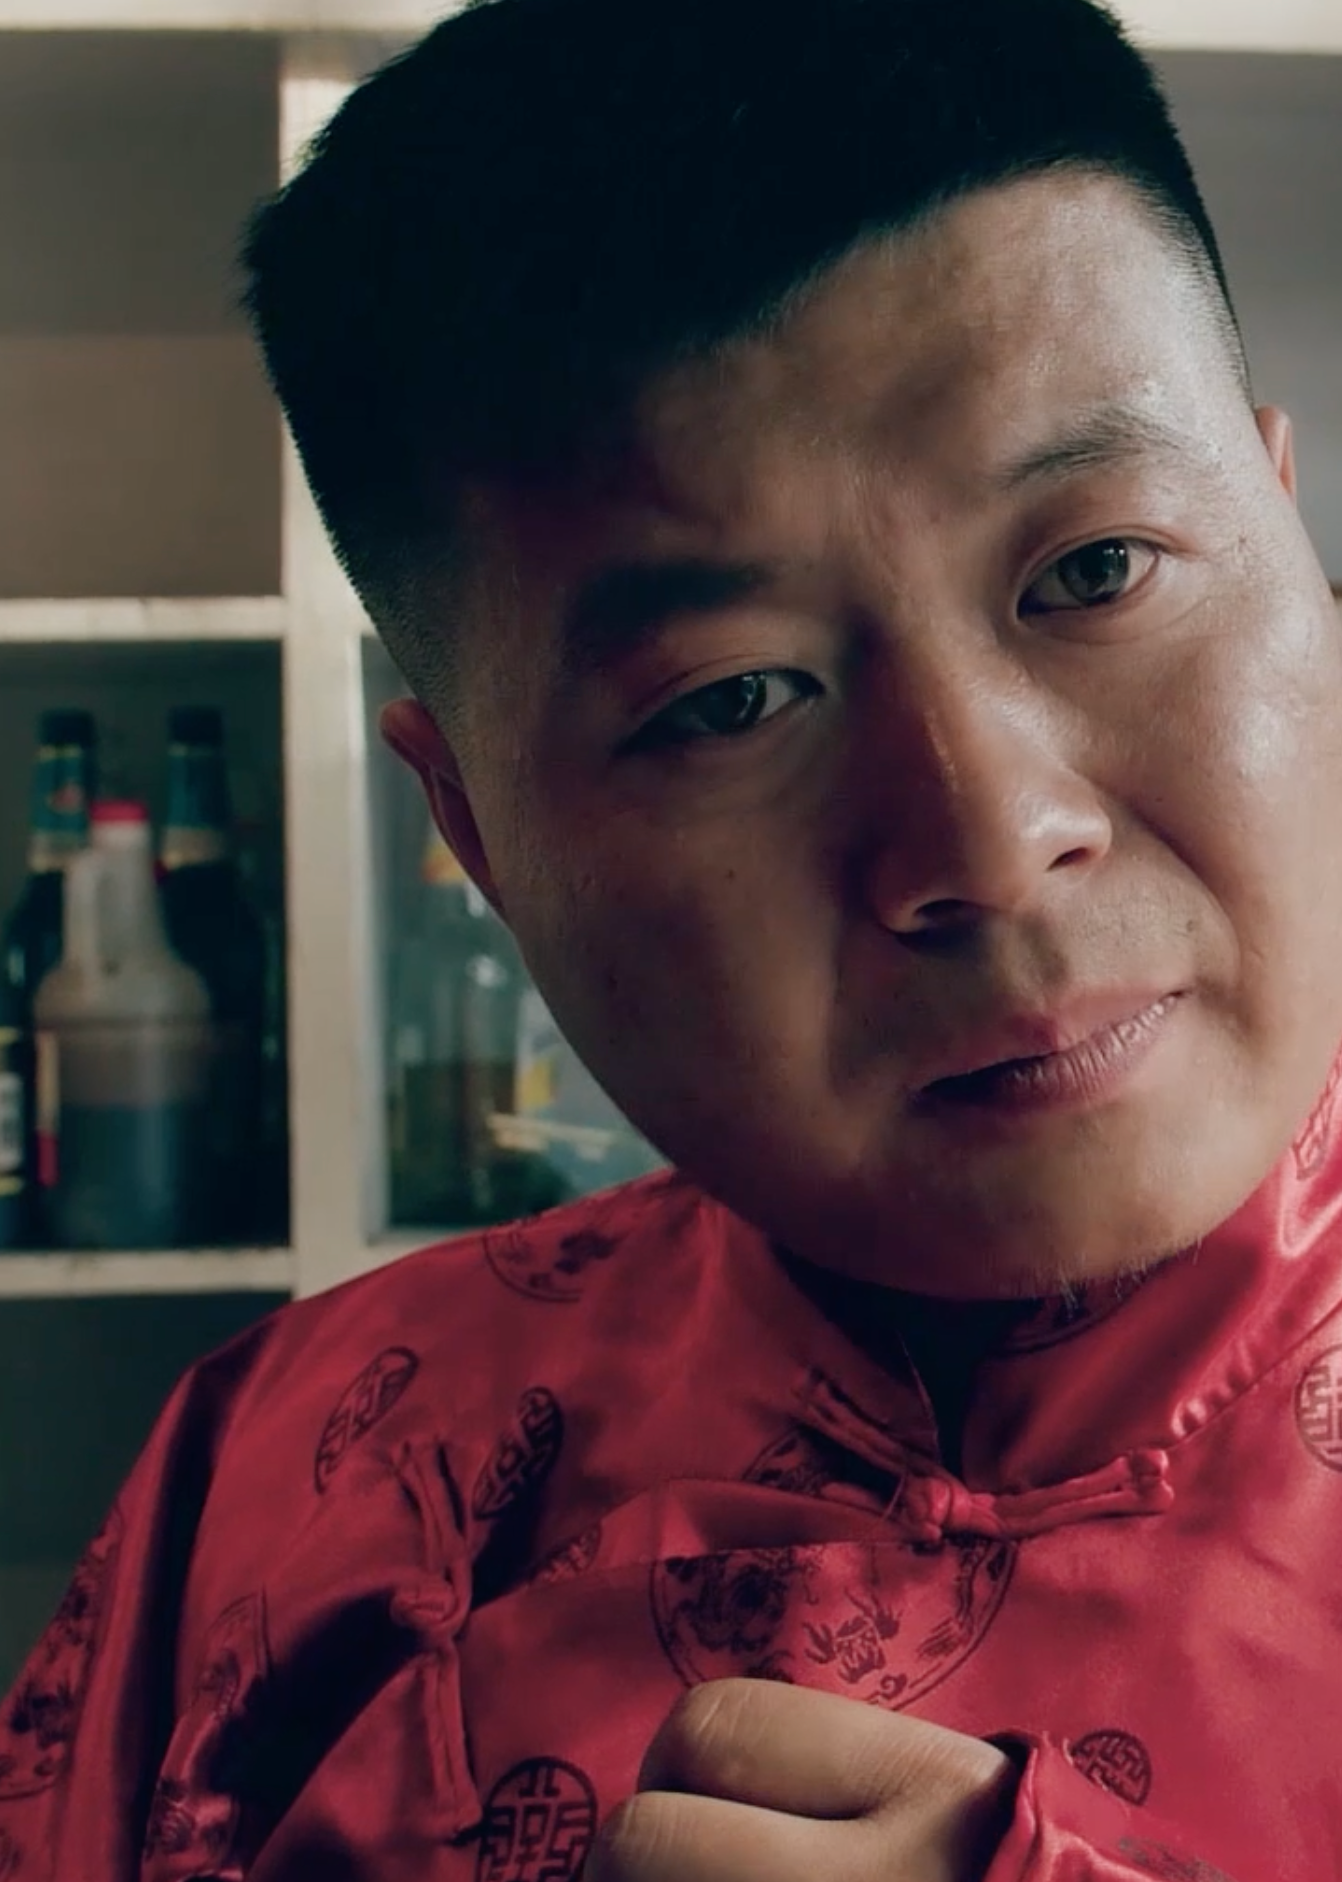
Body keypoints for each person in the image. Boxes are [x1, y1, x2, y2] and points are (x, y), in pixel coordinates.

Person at [3, 0, 1340, 1874]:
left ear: (1292, 543)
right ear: (474, 832)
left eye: (1093, 570)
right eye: (732, 699)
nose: (989, 841)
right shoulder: (283, 1476)